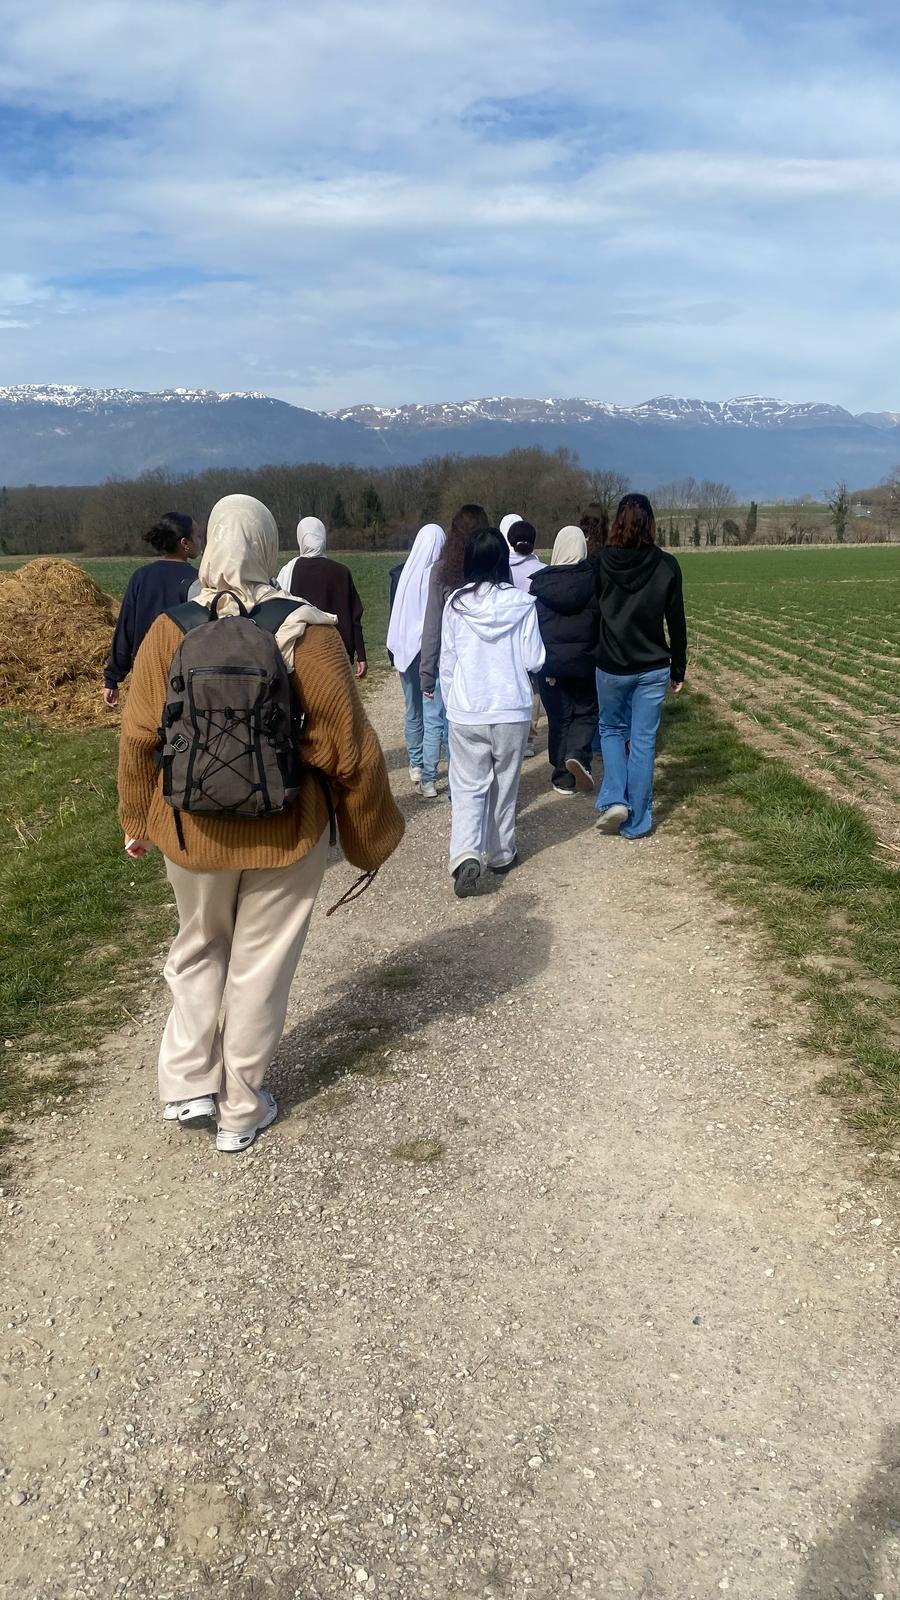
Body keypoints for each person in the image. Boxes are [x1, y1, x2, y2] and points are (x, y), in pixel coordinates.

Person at [118, 493, 403, 1154]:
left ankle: (188, 1083)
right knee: (259, 968)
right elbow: (351, 749)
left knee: (197, 946)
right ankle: (241, 1109)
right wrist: (370, 837)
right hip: (287, 828)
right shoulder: (313, 630)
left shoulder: (170, 628)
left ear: (211, 543)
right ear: (270, 544)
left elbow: (138, 736)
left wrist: (138, 817)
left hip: (190, 830)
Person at [439, 528, 545, 897]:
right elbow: (535, 659)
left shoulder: (455, 605)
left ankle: (466, 852)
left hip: (468, 708)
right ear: (503, 559)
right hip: (511, 708)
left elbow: (447, 662)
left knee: (467, 785)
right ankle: (501, 852)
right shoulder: (522, 604)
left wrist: (454, 701)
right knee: (504, 784)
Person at [593, 493, 687, 838]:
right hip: (652, 665)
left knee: (611, 730)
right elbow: (676, 621)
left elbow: (594, 615)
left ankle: (615, 797)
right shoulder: (667, 565)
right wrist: (679, 667)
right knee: (644, 740)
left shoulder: (601, 563)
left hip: (612, 664)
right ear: (651, 523)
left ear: (618, 521)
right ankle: (638, 822)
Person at [419, 503, 488, 798]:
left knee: (453, 726)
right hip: (485, 662)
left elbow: (432, 623)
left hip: (453, 661)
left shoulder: (442, 569)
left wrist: (426, 670)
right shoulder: (493, 567)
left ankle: (458, 786)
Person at [103, 512, 199, 708]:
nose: (200, 541)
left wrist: (112, 678)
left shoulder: (141, 577)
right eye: (197, 536)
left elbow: (126, 629)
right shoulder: (199, 581)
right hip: (186, 674)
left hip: (146, 672)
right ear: (184, 543)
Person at [530, 526, 600, 796]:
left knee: (560, 718)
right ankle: (578, 755)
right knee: (585, 713)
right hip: (586, 661)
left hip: (551, 664)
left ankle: (562, 776)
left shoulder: (540, 584)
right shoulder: (595, 580)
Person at [385, 522, 445, 790]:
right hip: (433, 652)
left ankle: (416, 764)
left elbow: (395, 613)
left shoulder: (404, 572)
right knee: (434, 714)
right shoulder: (442, 574)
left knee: (413, 710)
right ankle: (433, 773)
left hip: (406, 652)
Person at [276, 516, 368, 679]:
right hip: (337, 655)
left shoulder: (288, 571)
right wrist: (361, 655)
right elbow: (355, 617)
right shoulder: (342, 572)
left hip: (302, 656)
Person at [503, 519, 545, 757]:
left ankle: (512, 735)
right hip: (535, 635)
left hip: (509, 637)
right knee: (534, 689)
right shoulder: (541, 569)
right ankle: (528, 737)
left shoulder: (501, 568)